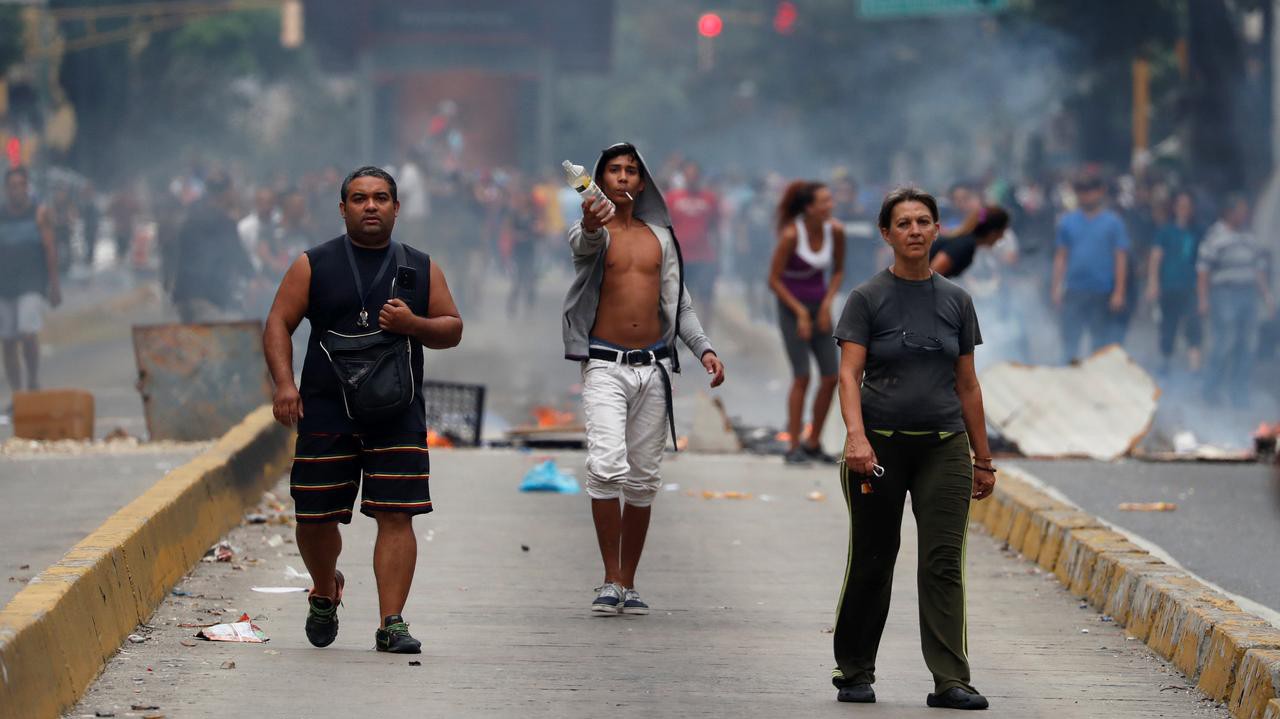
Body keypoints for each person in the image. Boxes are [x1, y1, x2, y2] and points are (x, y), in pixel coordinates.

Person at [263, 166, 462, 654]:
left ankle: (391, 622)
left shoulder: (421, 267)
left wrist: (414, 324)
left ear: (396, 207)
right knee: (314, 516)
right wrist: (285, 385)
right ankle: (325, 587)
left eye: (380, 198)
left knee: (397, 513)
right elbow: (278, 322)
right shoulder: (313, 264)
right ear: (343, 208)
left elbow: (452, 328)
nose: (370, 206)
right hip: (326, 408)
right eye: (359, 198)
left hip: (397, 409)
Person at [832, 187, 994, 710]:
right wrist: (856, 437)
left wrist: (983, 459)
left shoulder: (956, 301)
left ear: (938, 229)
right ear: (886, 234)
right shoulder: (867, 298)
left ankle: (951, 679)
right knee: (874, 558)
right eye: (903, 223)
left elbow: (967, 384)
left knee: (943, 562)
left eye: (924, 221)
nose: (915, 231)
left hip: (944, 446)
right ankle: (854, 669)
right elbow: (849, 375)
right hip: (877, 450)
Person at [563, 142, 725, 615]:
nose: (622, 177)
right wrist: (591, 224)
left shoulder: (662, 238)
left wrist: (704, 349)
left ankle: (628, 583)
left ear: (642, 181)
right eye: (614, 170)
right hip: (603, 365)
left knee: (643, 480)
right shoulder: (592, 232)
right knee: (606, 466)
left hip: (654, 367)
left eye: (631, 170)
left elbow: (680, 304)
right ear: (599, 180)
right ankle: (609, 578)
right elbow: (583, 244)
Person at [767, 180, 845, 465]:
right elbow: (774, 280)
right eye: (825, 201)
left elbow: (838, 271)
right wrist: (800, 312)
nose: (830, 205)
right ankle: (793, 445)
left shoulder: (835, 231)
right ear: (810, 208)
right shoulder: (791, 235)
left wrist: (826, 305)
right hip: (792, 308)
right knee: (802, 375)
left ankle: (813, 442)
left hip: (820, 307)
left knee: (831, 376)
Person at [1197, 194, 1274, 406]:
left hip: (1248, 295)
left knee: (1247, 345)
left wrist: (1267, 296)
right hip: (1224, 295)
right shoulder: (1215, 236)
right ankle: (1211, 391)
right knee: (1224, 343)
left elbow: (1258, 269)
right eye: (1240, 211)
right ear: (1229, 213)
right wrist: (1203, 299)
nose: (1244, 215)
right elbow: (1203, 270)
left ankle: (1239, 394)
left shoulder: (1249, 237)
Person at [1052, 176, 1131, 363]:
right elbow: (1061, 256)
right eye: (1081, 191)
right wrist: (1056, 287)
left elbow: (1120, 258)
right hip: (1074, 290)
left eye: (1090, 191)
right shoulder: (1068, 222)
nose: (1086, 196)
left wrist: (1119, 292)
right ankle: (1069, 374)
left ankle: (1097, 376)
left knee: (1100, 344)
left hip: (1102, 291)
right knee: (1070, 342)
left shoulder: (1113, 223)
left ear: (1100, 192)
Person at [0, 168, 61, 403]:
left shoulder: (39, 214)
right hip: (5, 284)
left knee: (27, 332)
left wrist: (54, 285)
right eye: (12, 186)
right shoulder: (2, 214)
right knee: (7, 340)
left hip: (31, 282)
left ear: (27, 187)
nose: (16, 190)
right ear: (6, 189)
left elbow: (50, 249)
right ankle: (18, 395)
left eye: (20, 185)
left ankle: (33, 380)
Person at [170, 171, 255, 322]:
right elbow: (237, 255)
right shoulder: (224, 222)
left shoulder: (191, 214)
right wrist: (254, 277)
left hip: (183, 294)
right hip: (207, 297)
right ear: (227, 193)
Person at [1146, 190, 1203, 374]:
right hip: (1169, 286)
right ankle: (1166, 363)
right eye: (1180, 206)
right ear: (1174, 208)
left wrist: (1203, 292)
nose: (1183, 209)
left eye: (1187, 206)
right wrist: (1153, 283)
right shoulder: (1165, 232)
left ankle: (1194, 369)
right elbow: (1156, 257)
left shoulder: (1197, 232)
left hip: (1191, 287)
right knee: (1168, 326)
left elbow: (1203, 263)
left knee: (1193, 327)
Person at [665, 160, 721, 330]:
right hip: (680, 257)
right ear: (684, 177)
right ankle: (682, 332)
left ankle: (705, 334)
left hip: (704, 256)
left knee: (706, 297)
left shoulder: (710, 199)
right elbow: (666, 228)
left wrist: (718, 256)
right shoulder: (672, 198)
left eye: (695, 175)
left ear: (699, 177)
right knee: (680, 298)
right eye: (689, 175)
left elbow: (715, 229)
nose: (692, 178)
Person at [929, 206, 1010, 279]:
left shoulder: (966, 241)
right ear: (993, 232)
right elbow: (933, 273)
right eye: (1002, 232)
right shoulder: (966, 244)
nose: (1002, 237)